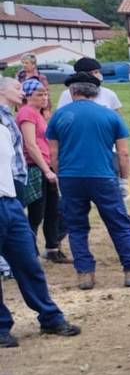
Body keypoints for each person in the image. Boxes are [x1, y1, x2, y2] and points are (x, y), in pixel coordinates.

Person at [46, 73, 130, 291]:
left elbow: (53, 153)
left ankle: (85, 274)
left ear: (72, 91)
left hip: (70, 177)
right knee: (118, 223)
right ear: (95, 92)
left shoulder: (59, 116)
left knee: (77, 227)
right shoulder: (110, 116)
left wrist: (62, 176)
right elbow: (123, 153)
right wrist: (124, 179)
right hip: (103, 176)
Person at [0, 77, 82, 358]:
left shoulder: (7, 120)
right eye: (15, 87)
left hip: (10, 202)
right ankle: (1, 328)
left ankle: (50, 317)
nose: (20, 91)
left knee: (28, 261)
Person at [16, 80, 68, 263]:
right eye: (39, 94)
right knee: (36, 212)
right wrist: (46, 170)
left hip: (46, 166)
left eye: (46, 94)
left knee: (53, 209)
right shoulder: (26, 113)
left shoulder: (38, 114)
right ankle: (30, 252)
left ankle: (53, 248)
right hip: (36, 168)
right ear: (28, 96)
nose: (44, 98)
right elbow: (30, 145)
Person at [56, 57, 123, 112]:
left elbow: (117, 116)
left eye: (98, 72)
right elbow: (61, 115)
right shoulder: (67, 94)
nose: (99, 75)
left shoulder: (109, 94)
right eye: (95, 72)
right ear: (84, 75)